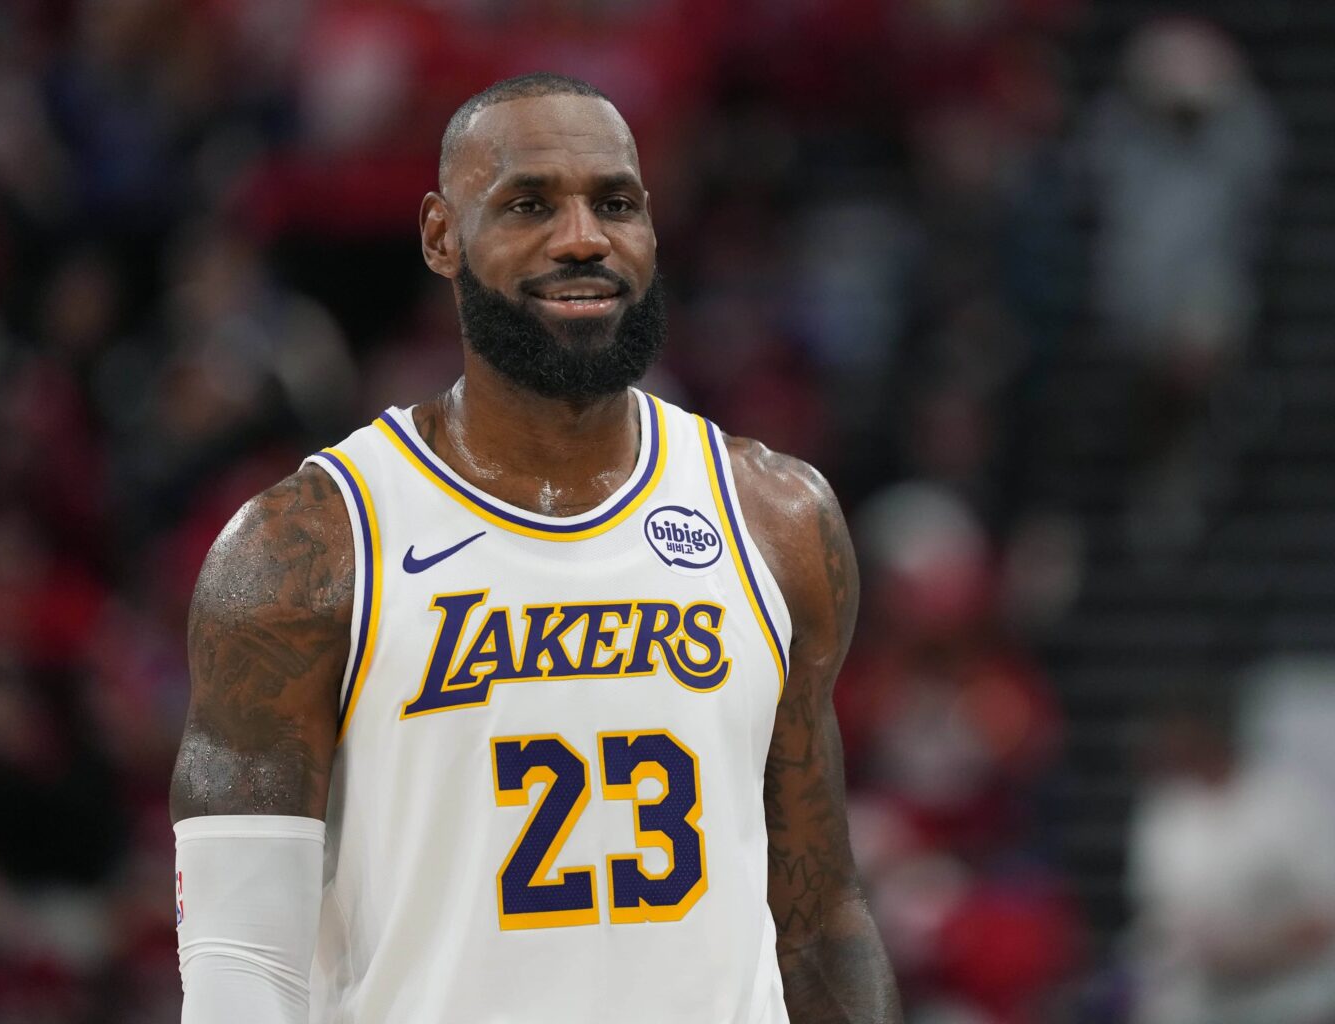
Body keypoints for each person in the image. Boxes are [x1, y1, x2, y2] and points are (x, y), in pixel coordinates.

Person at [169, 72, 902, 1024]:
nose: (584, 238)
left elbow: (818, 916)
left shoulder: (778, 517)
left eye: (616, 204)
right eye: (528, 204)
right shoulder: (308, 547)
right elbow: (240, 962)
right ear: (441, 236)